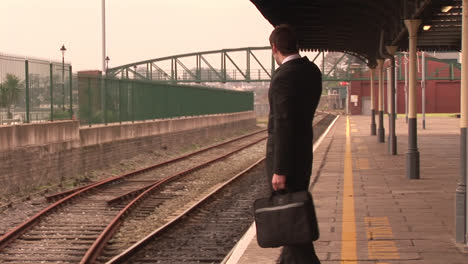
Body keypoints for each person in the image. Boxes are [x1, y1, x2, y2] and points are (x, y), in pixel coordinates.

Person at [266, 24, 322, 264]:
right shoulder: (312, 71)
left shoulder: (283, 77)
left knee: (292, 218)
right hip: (303, 154)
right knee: (294, 214)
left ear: (274, 48)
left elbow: (283, 124)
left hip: (287, 160)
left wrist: (280, 169)